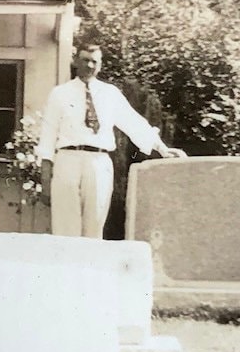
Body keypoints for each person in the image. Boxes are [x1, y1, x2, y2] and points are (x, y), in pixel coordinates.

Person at [35, 41, 185, 238]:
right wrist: (45, 180)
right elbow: (47, 137)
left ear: (101, 64)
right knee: (65, 227)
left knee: (94, 225)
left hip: (99, 162)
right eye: (85, 60)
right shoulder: (59, 94)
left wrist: (162, 148)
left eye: (94, 62)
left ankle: (89, 268)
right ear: (75, 61)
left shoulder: (110, 94)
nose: (89, 66)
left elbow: (133, 123)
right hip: (67, 160)